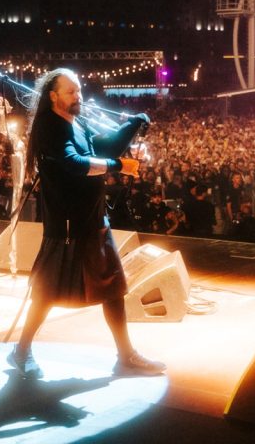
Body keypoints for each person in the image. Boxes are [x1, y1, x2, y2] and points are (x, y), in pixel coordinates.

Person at [10, 68, 164, 380]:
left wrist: (131, 126)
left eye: (78, 90)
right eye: (71, 91)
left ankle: (125, 354)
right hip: (68, 226)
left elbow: (102, 147)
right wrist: (117, 166)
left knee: (113, 289)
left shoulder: (74, 122)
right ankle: (21, 350)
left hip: (93, 221)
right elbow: (74, 164)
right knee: (47, 294)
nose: (77, 96)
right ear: (53, 96)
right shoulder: (49, 127)